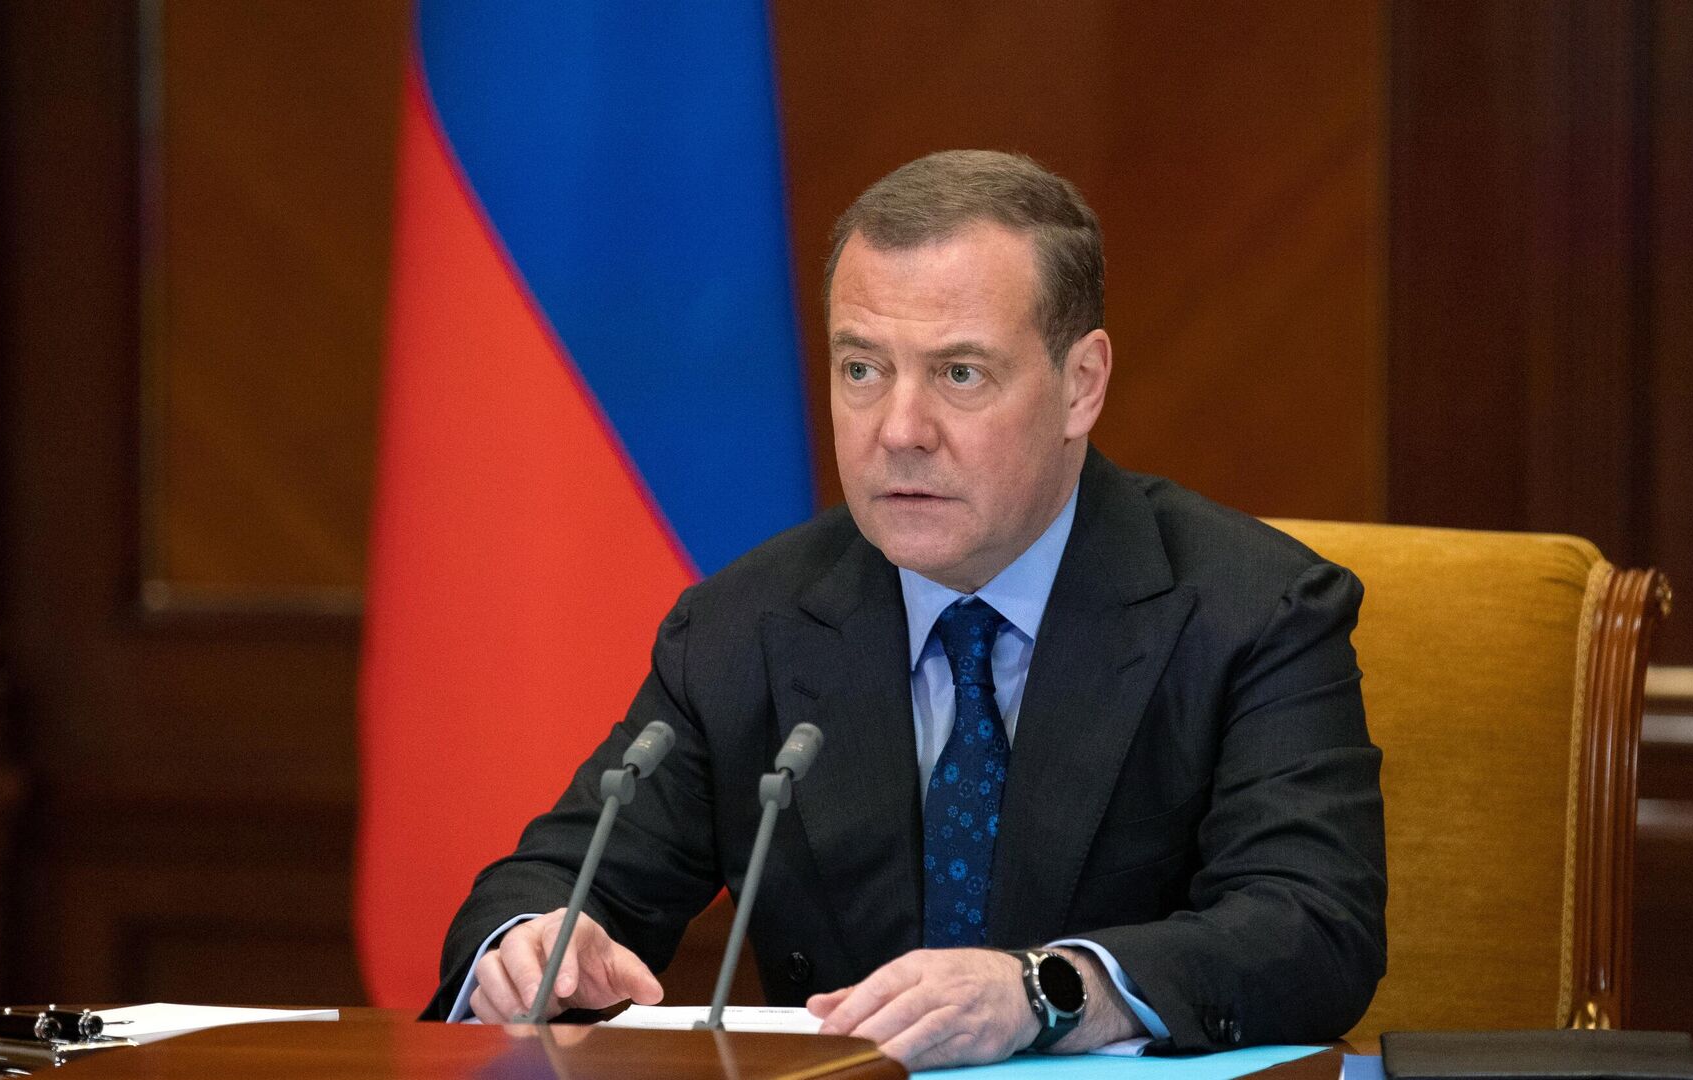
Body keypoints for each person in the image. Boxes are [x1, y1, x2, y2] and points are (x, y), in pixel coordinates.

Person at [427, 150, 1387, 1070]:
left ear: (1081, 385)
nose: (899, 430)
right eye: (862, 369)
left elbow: (1313, 926)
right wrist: (530, 944)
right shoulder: (744, 627)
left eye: (960, 373)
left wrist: (1049, 992)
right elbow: (555, 878)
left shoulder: (1254, 611)